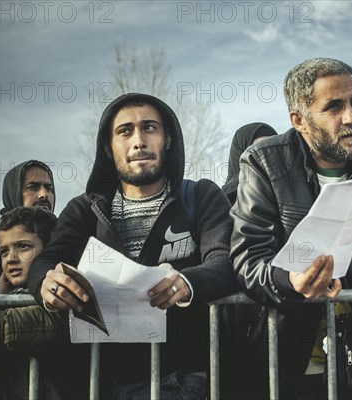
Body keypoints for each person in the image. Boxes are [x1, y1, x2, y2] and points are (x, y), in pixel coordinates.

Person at [230, 58, 352, 399]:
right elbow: (248, 260)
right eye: (334, 106)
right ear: (299, 121)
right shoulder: (263, 162)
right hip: (286, 360)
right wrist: (290, 280)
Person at [27, 93, 237, 398]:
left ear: (167, 140)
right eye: (124, 131)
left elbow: (225, 260)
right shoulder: (84, 210)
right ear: (108, 148)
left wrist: (188, 282)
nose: (138, 141)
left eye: (150, 128)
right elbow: (46, 261)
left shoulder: (202, 196)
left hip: (181, 381)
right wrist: (47, 283)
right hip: (98, 380)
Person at [0, 207, 77, 399]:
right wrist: (1, 300)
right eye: (4, 251)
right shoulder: (4, 298)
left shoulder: (60, 292)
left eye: (23, 247)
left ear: (49, 250)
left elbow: (42, 321)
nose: (11, 259)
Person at [0, 160, 55, 294]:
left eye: (49, 188)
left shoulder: (67, 241)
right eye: (33, 187)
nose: (44, 194)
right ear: (13, 192)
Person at [222, 122, 277, 204]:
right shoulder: (222, 202)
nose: (267, 154)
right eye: (259, 148)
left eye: (272, 148)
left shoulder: (292, 194)